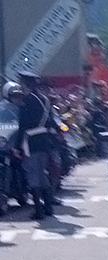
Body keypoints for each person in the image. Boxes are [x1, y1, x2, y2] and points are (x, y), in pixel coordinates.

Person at [14, 71, 57, 220]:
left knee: (33, 176)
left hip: (31, 143)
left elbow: (23, 126)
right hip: (44, 142)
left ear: (26, 84)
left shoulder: (27, 101)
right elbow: (51, 122)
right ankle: (49, 207)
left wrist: (17, 146)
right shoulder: (45, 100)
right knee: (41, 175)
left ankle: (39, 210)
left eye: (21, 83)